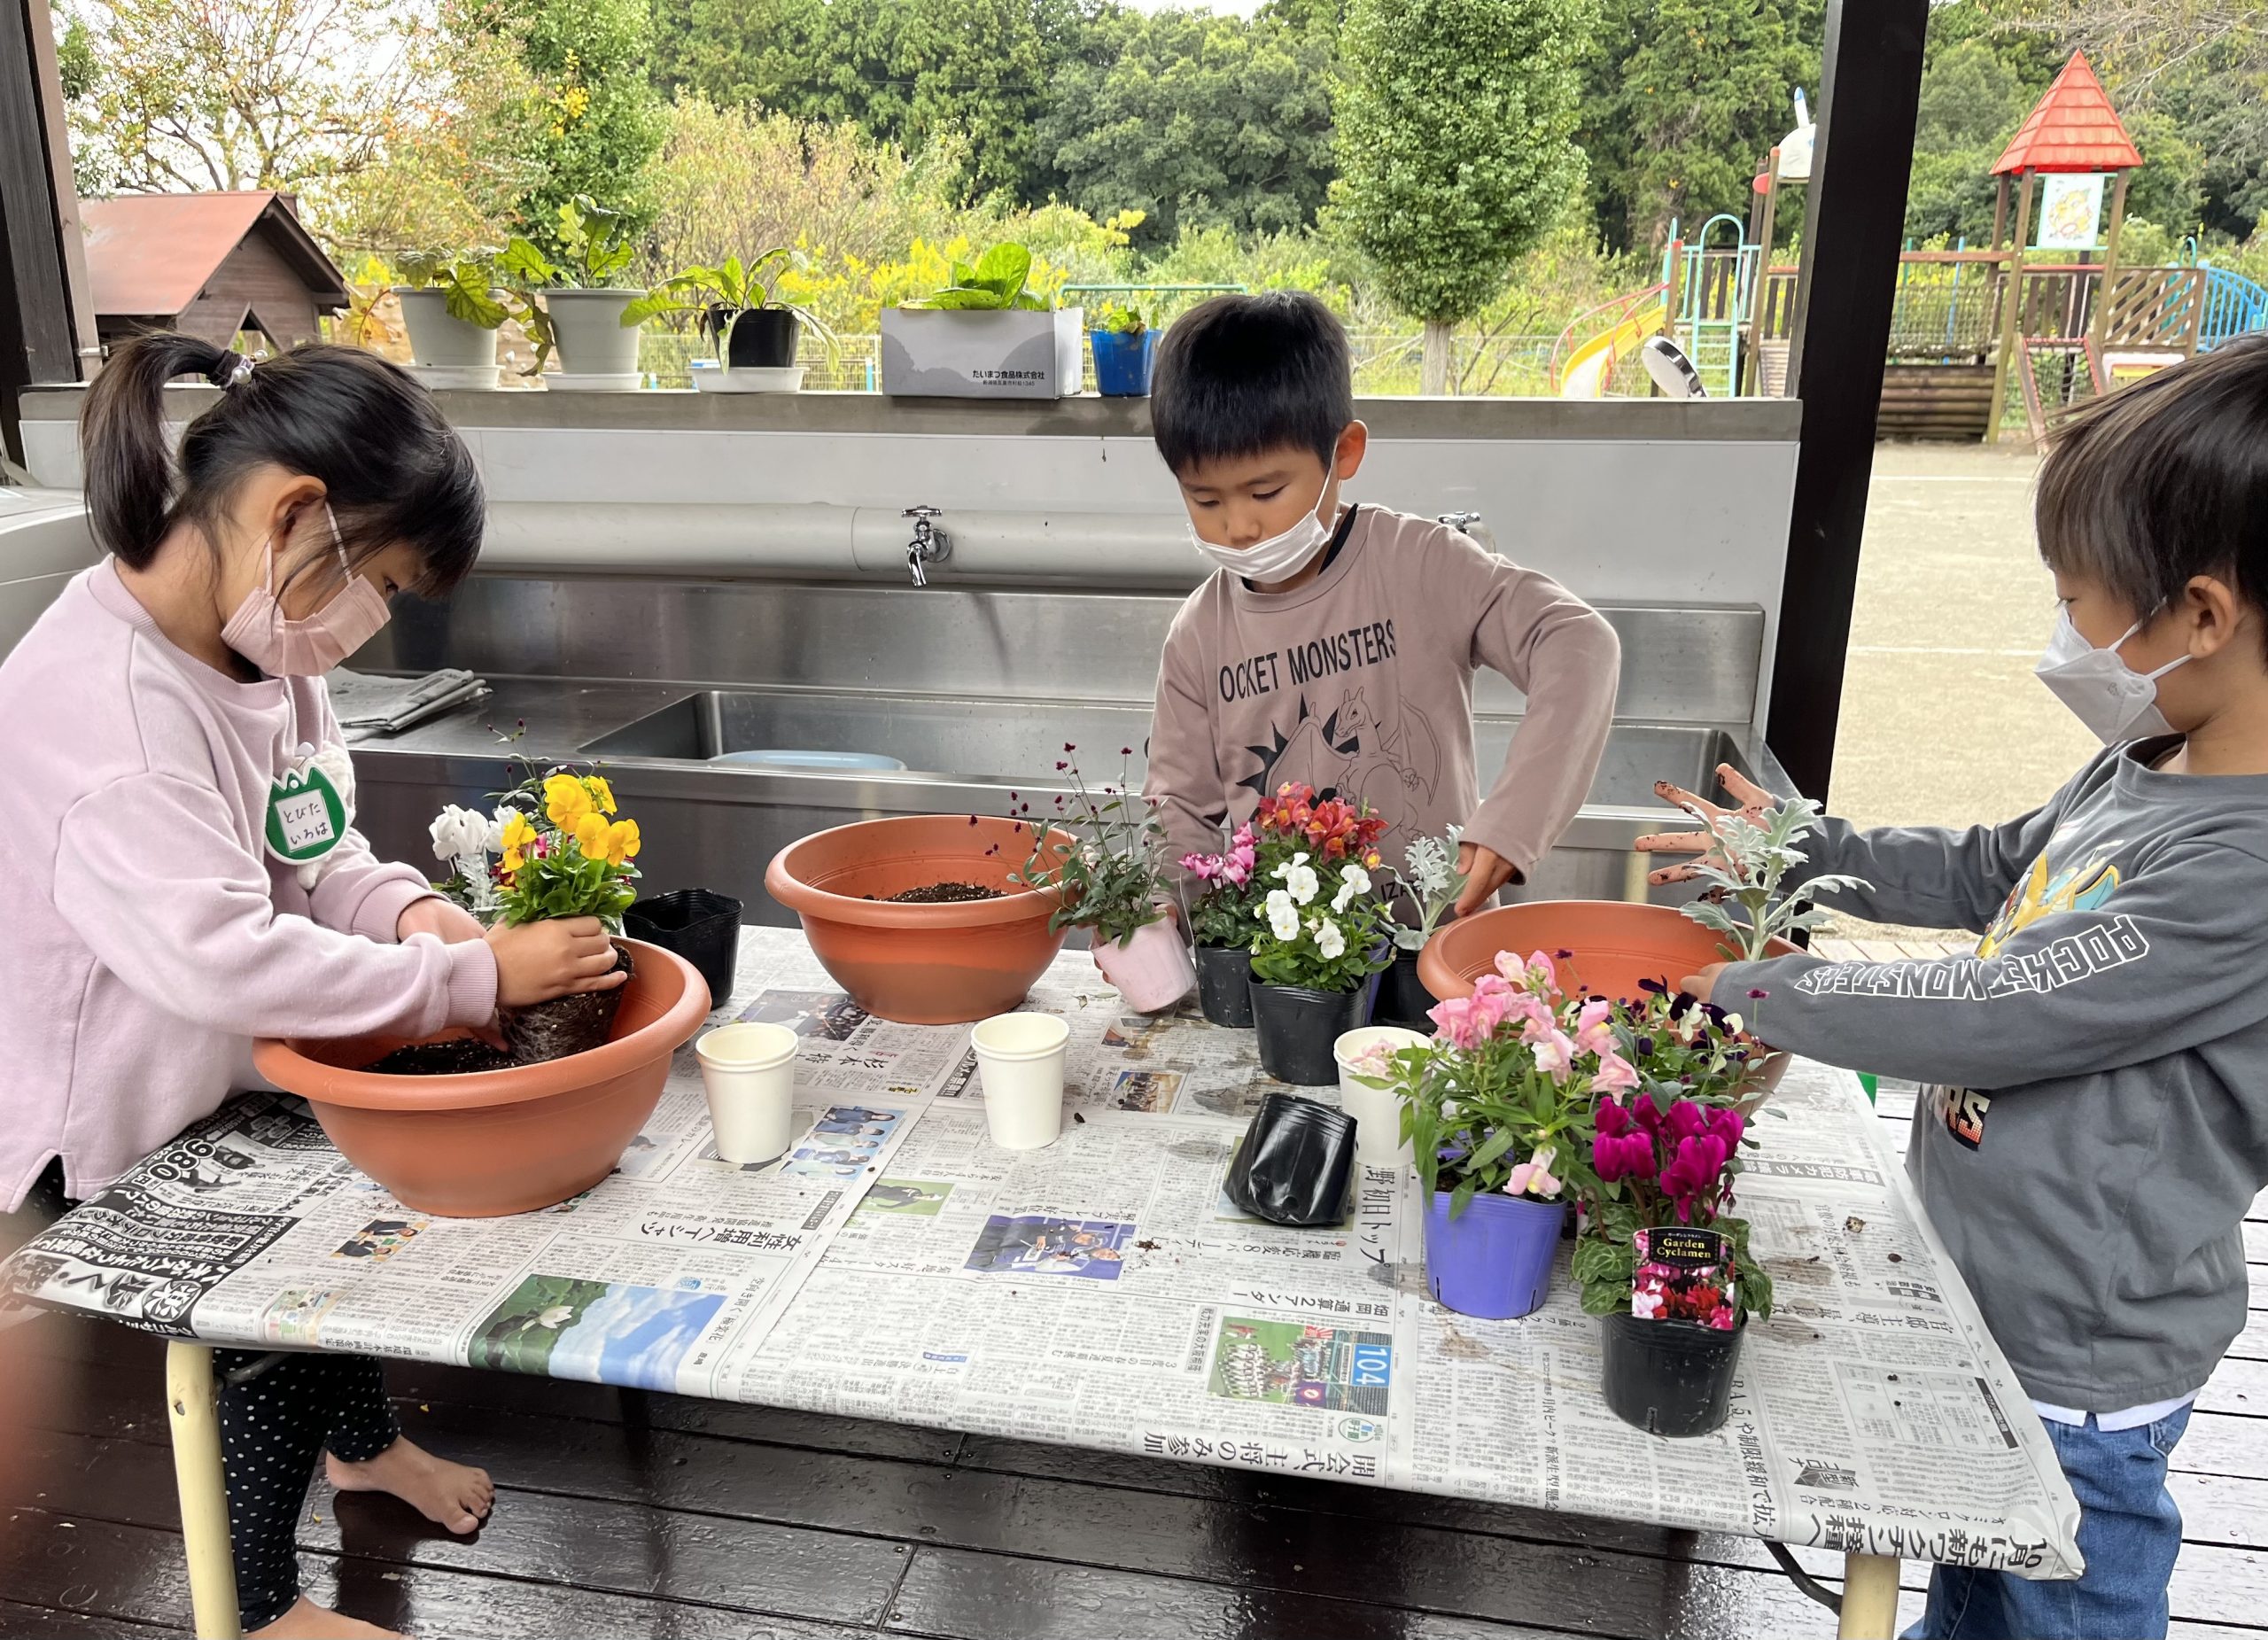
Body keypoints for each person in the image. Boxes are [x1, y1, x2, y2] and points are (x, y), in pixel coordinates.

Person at [1641, 338, 2268, 1640]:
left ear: (2201, 616)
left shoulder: (2241, 872)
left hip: (2079, 1357)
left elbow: (2006, 1007)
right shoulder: (2149, 759)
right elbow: (1993, 869)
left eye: (2078, 600)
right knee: (1970, 1587)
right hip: (1992, 1295)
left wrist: (1768, 990)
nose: (2065, 633)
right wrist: (1805, 847)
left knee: (2058, 1609)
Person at [0, 336, 626, 1638]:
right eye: (381, 581)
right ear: (296, 514)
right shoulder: (106, 716)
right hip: (112, 1105)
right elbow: (221, 956)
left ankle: (364, 1451)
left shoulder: (266, 653)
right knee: (263, 1326)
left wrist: (416, 914)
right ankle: (258, 1605)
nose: (370, 618)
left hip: (233, 1055)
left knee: (341, 1232)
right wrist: (466, 974)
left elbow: (316, 846)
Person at [1140, 291, 1622, 913]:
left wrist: (1514, 821)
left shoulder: (1421, 564)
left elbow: (1578, 643)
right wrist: (1156, 913)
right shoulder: (1198, 636)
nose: (1238, 527)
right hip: (1283, 960)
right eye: (1205, 500)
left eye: (1266, 492)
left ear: (1343, 453)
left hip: (1439, 945)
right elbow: (1180, 810)